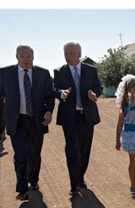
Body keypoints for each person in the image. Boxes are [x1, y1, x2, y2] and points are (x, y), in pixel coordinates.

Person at [0, 44, 55, 200]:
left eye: (29, 56)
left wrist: (48, 111)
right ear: (16, 57)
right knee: (20, 154)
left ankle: (33, 180)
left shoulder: (43, 73)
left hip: (36, 120)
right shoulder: (7, 73)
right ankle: (22, 188)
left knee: (34, 153)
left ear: (33, 57)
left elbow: (49, 96)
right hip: (17, 121)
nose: (26, 59)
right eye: (22, 56)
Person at [54, 41, 103, 196]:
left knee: (84, 149)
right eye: (66, 53)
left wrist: (94, 94)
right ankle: (73, 183)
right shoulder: (59, 71)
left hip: (86, 116)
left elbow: (98, 86)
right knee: (72, 149)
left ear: (79, 54)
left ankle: (80, 176)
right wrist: (62, 93)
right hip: (69, 117)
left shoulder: (91, 70)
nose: (68, 56)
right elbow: (54, 89)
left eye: (71, 53)